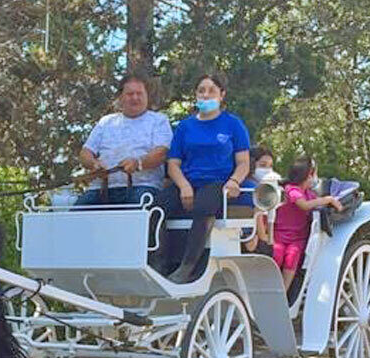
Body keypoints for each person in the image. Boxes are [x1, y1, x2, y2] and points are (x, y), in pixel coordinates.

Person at [156, 74, 251, 282]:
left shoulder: (233, 124)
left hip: (219, 183)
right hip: (188, 182)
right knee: (156, 207)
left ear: (222, 95)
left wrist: (234, 181)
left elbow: (244, 162)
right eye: (201, 90)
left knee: (204, 205)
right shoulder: (185, 127)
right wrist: (183, 186)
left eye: (211, 90)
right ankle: (157, 263)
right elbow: (173, 164)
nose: (205, 94)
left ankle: (187, 267)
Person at [77, 73, 173, 206]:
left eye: (139, 93)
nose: (135, 97)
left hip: (143, 187)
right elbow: (85, 152)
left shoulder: (158, 120)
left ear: (147, 96)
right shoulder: (106, 122)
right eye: (130, 94)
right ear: (121, 97)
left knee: (141, 216)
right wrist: (94, 165)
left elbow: (162, 152)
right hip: (102, 190)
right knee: (75, 216)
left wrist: (138, 164)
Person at [275, 156, 343, 290]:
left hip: (298, 238)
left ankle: (283, 292)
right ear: (308, 175)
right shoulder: (291, 190)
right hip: (280, 235)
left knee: (292, 256)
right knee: (277, 253)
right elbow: (304, 205)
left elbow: (312, 203)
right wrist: (327, 199)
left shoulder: (309, 194)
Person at [241, 145, 279, 253]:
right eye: (263, 165)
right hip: (249, 237)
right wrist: (265, 238)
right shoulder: (252, 187)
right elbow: (257, 214)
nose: (267, 170)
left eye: (270, 166)